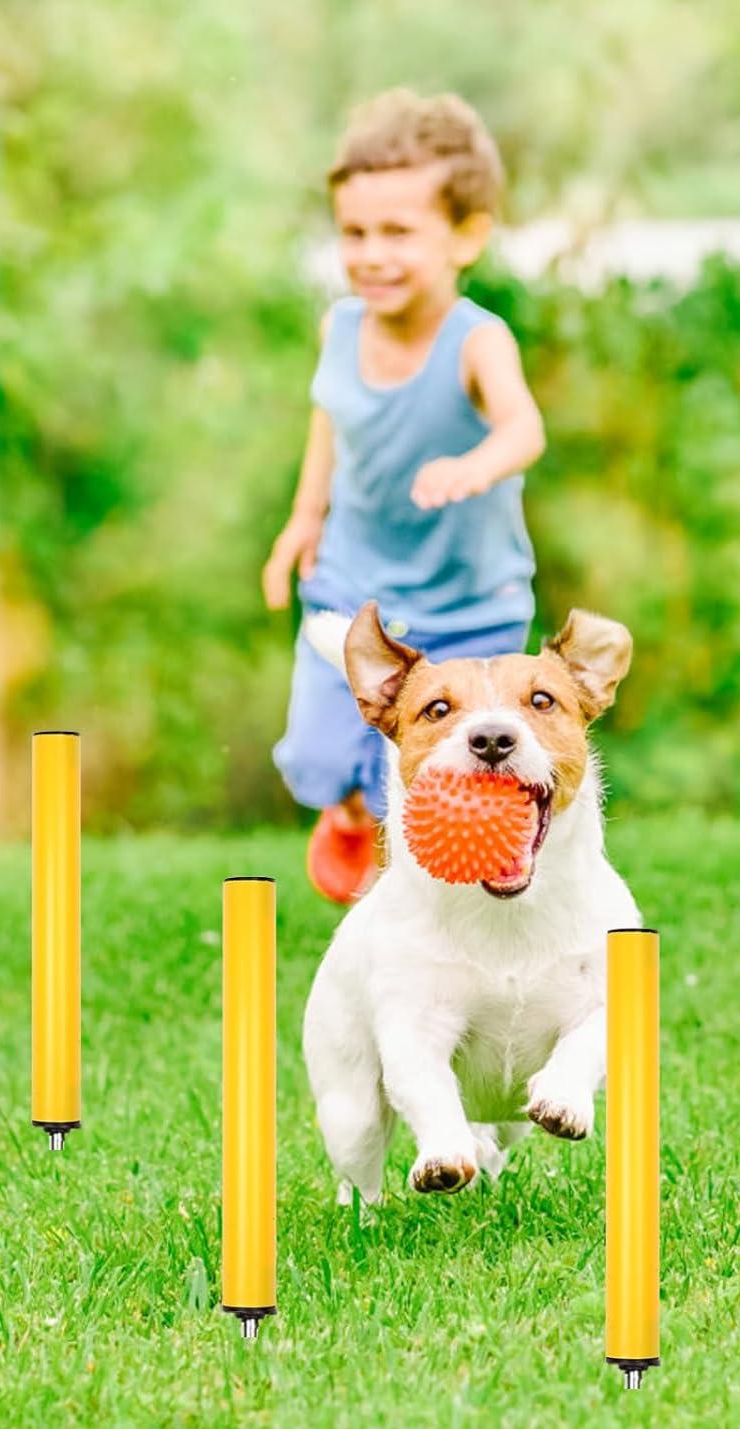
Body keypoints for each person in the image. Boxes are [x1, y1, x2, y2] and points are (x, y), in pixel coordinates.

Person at [262, 88, 546, 903]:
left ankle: (422, 908)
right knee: (318, 759)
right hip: (354, 590)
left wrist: (479, 465)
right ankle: (348, 812)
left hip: (469, 605)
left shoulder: (477, 339)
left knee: (441, 783)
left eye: (397, 232)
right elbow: (331, 418)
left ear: (466, 235)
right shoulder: (340, 327)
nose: (371, 254)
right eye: (354, 232)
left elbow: (525, 429)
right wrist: (303, 519)